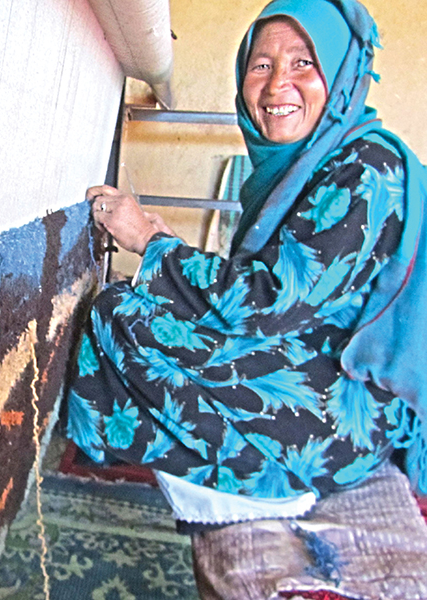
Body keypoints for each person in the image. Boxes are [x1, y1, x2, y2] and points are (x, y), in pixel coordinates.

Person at [67, 0, 427, 526]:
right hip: (312, 359)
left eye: (304, 63)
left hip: (340, 417)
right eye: (262, 65)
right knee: (136, 306)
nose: (278, 84)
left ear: (342, 75)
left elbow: (269, 302)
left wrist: (149, 241)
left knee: (121, 315)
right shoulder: (306, 166)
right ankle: (242, 464)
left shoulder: (366, 168)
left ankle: (267, 480)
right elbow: (294, 295)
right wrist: (169, 251)